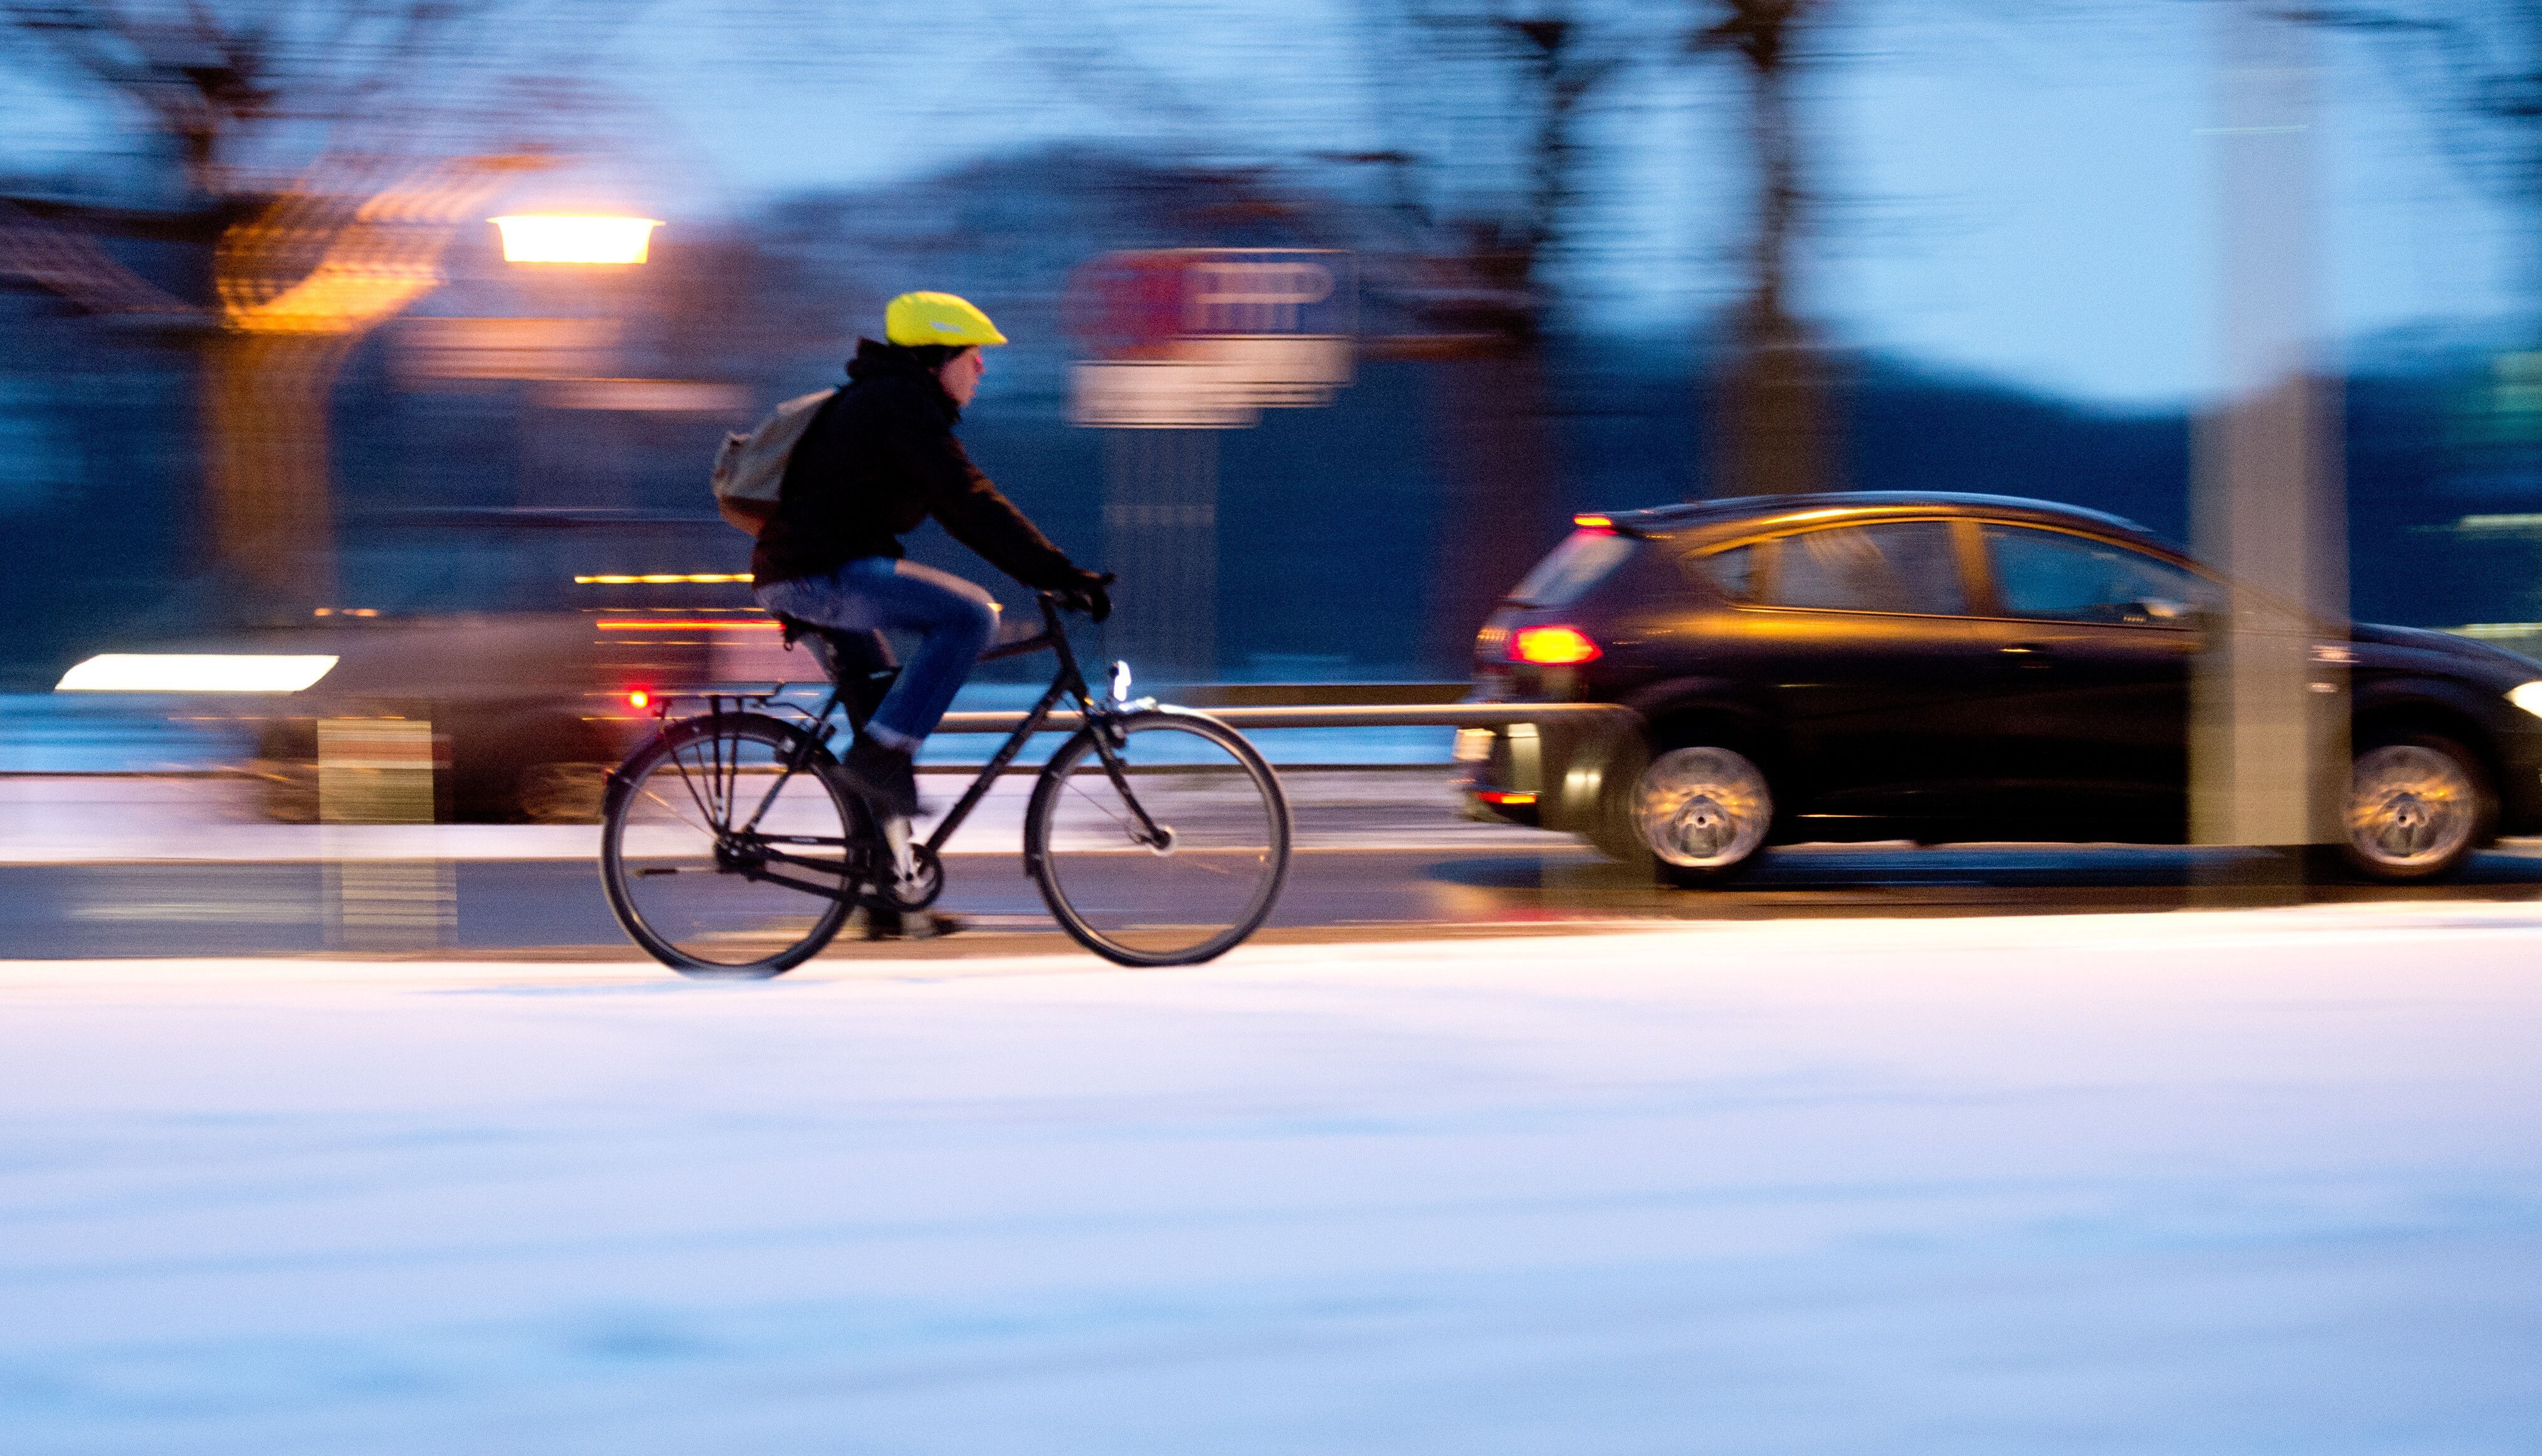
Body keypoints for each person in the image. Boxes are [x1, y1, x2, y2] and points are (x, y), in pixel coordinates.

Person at [751, 291, 1110, 818]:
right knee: (968, 618)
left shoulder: (888, 401)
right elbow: (967, 502)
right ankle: (879, 764)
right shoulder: (900, 405)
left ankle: (884, 885)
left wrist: (1048, 572)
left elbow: (962, 505)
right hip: (819, 577)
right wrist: (1059, 574)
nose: (983, 366)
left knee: (882, 729)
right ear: (936, 356)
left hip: (807, 574)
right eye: (972, 354)